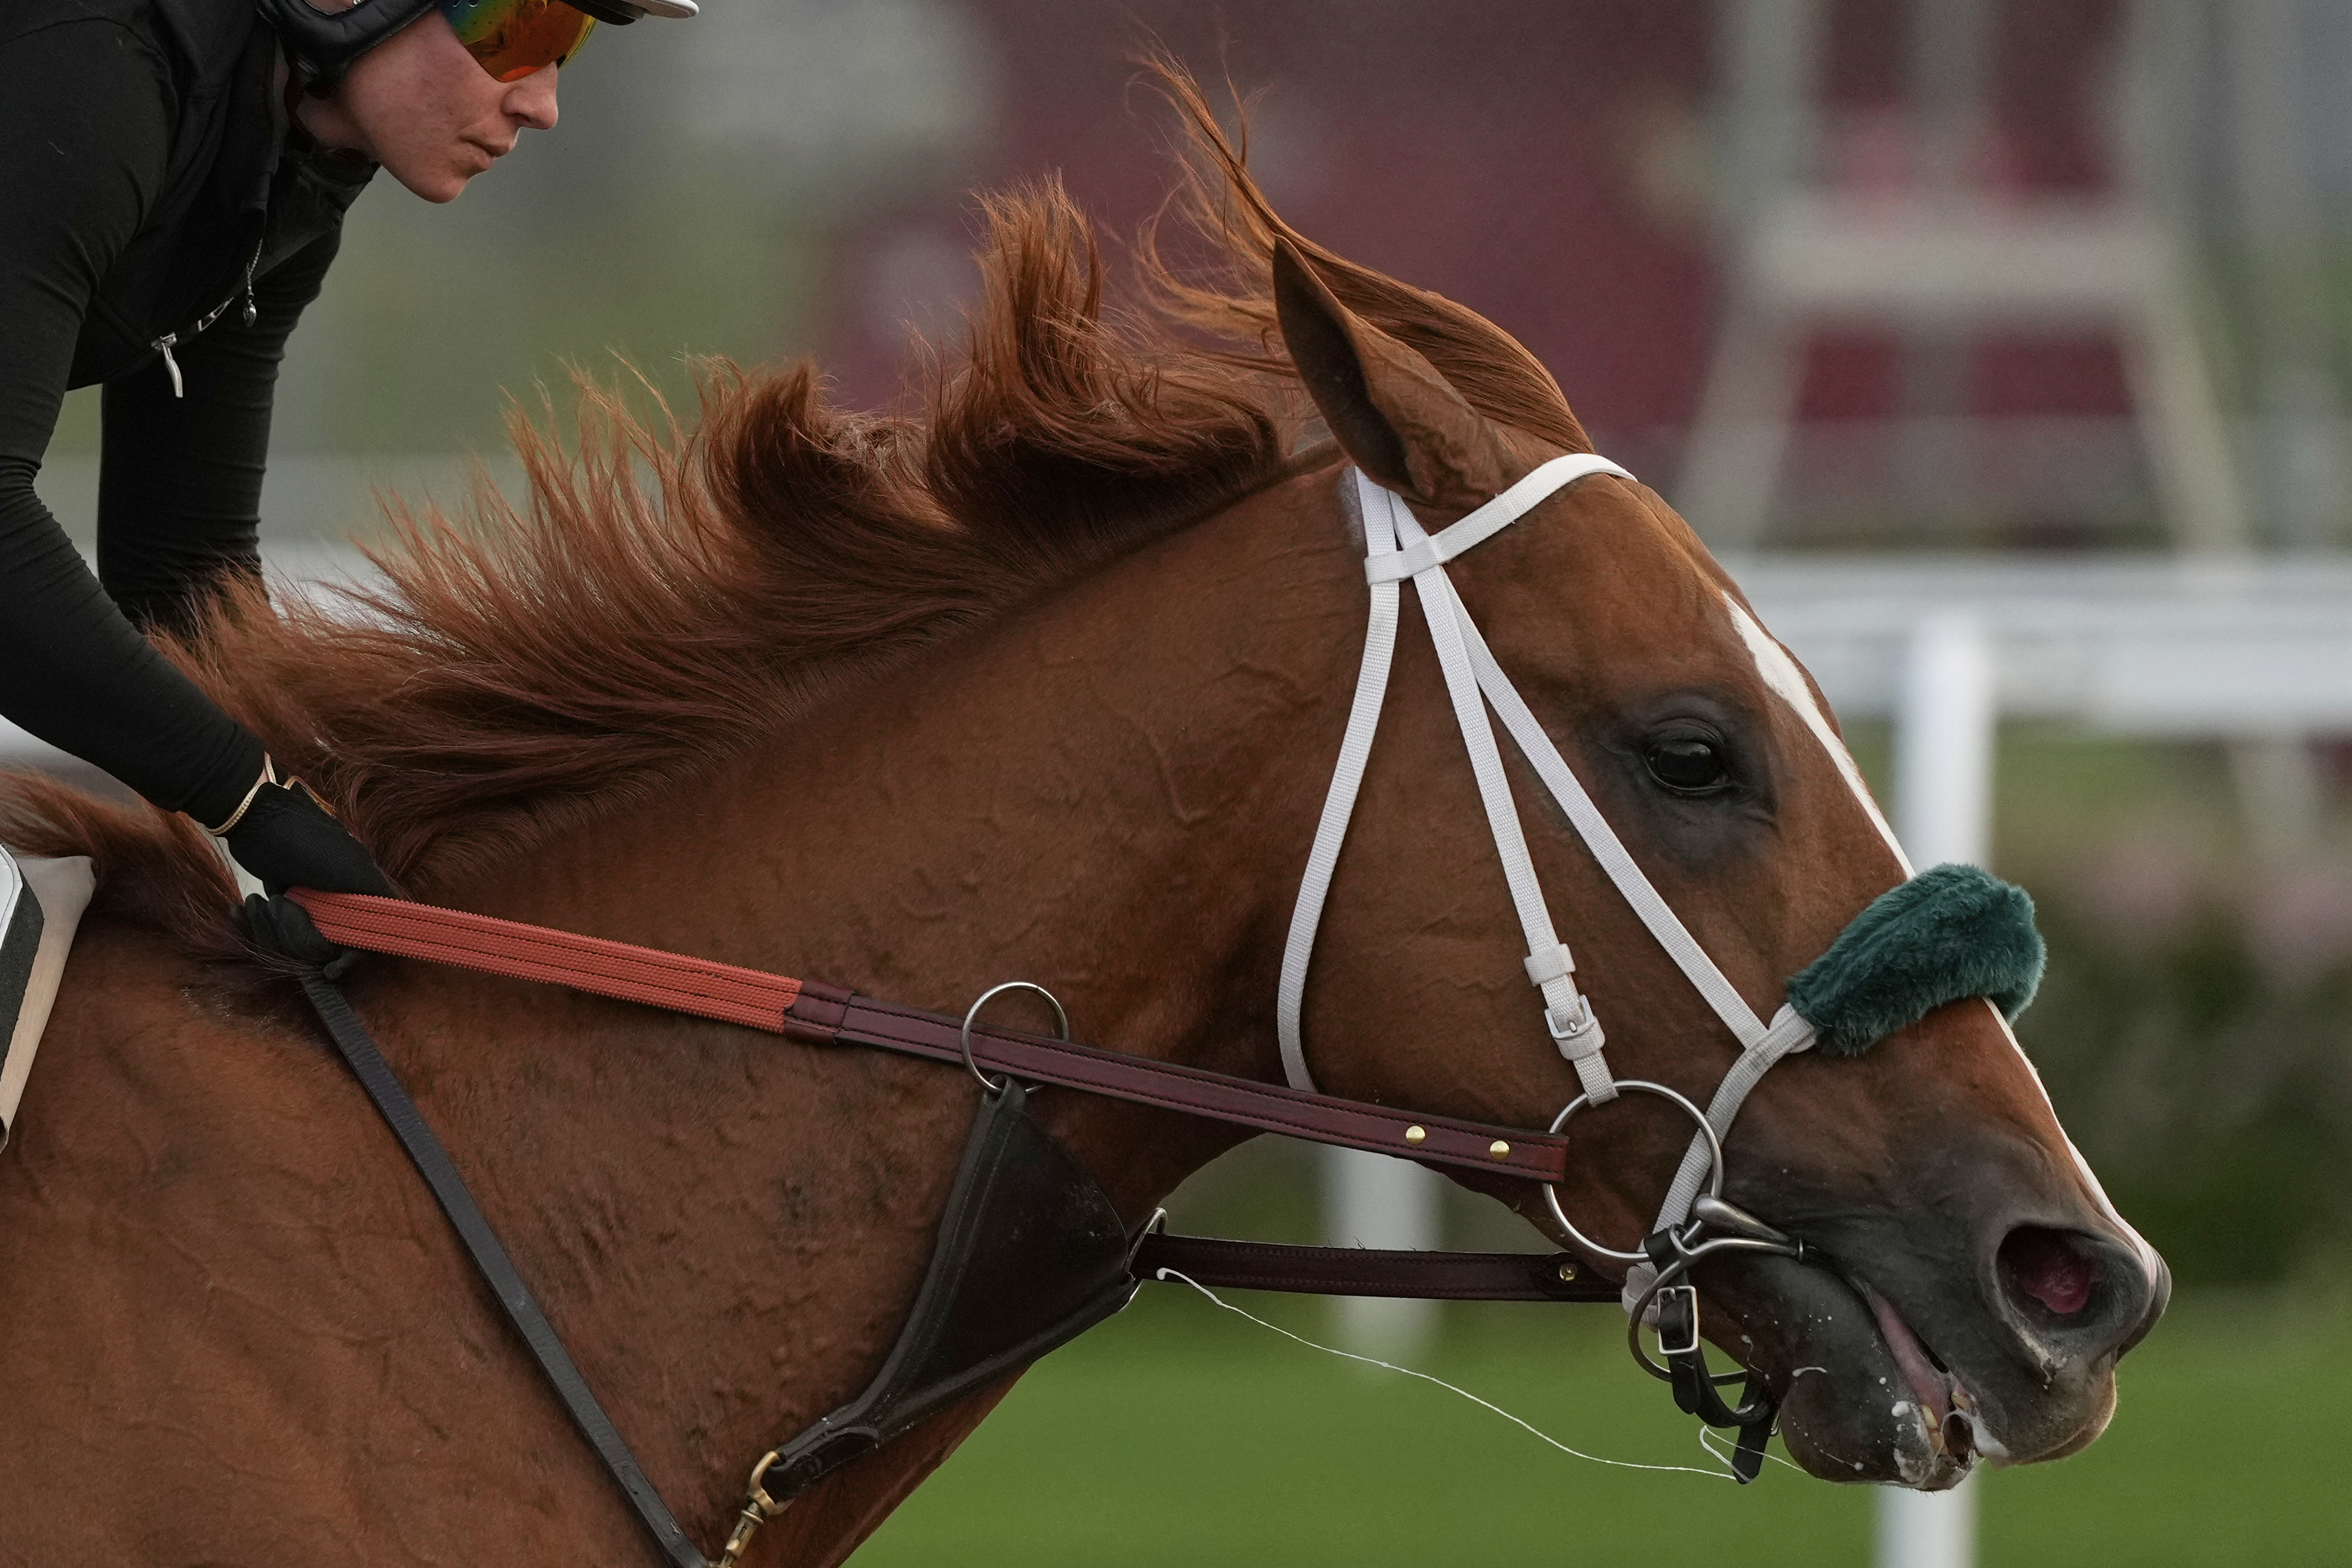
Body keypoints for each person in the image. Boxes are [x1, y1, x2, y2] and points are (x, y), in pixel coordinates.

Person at [0, 0, 693, 898]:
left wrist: (346, 802)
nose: (541, 103)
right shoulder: (92, 69)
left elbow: (186, 579)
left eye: (568, 43)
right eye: (520, 31)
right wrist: (252, 800)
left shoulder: (293, 179)